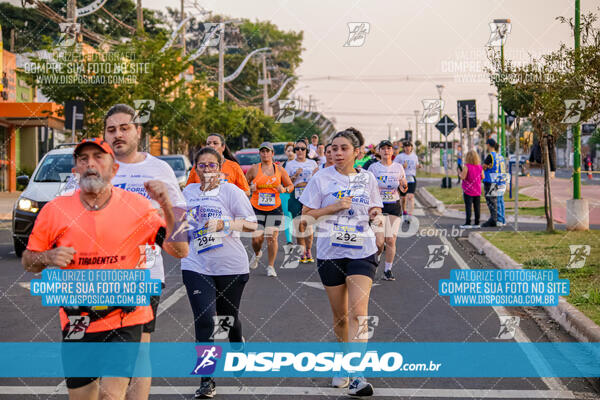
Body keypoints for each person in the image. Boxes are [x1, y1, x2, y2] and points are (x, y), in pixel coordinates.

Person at [22, 138, 188, 400]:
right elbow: (28, 262)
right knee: (84, 397)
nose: (90, 164)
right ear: (75, 169)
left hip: (125, 317)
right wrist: (48, 255)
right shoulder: (54, 211)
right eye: (83, 159)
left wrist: (167, 204)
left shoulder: (139, 207)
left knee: (111, 395)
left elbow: (180, 250)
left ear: (114, 169)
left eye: (99, 158)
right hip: (78, 319)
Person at [102, 103, 188, 400]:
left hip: (143, 273)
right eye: (111, 130)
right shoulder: (96, 167)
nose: (118, 135)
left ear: (138, 131)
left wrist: (164, 204)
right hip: (98, 274)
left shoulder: (159, 169)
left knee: (138, 351)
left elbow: (180, 227)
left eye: (124, 128)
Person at [300, 128, 383, 396]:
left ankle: (357, 374)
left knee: (359, 313)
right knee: (340, 317)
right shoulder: (321, 178)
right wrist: (332, 208)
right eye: (333, 148)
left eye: (343, 148)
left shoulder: (367, 178)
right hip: (330, 252)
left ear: (356, 152)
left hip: (362, 250)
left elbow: (375, 208)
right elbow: (305, 219)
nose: (337, 153)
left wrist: (376, 217)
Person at [182, 147, 257, 399]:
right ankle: (206, 379)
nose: (206, 170)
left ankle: (237, 346)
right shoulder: (188, 192)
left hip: (230, 266)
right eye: (201, 165)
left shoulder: (231, 191)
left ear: (220, 167)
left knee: (227, 319)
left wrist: (224, 223)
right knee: (205, 319)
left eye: (211, 165)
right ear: (195, 169)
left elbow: (252, 224)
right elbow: (178, 225)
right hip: (196, 265)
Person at [246, 142, 294, 277]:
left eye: (268, 151)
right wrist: (250, 188)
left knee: (272, 238)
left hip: (274, 208)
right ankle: (257, 253)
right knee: (256, 239)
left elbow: (291, 186)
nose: (265, 154)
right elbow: (243, 186)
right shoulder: (254, 169)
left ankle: (271, 266)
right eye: (262, 151)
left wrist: (284, 189)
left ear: (272, 154)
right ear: (260, 153)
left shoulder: (279, 170)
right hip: (256, 208)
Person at [367, 140, 408, 281]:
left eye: (388, 148)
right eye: (383, 148)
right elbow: (367, 187)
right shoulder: (373, 168)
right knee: (378, 242)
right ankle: (376, 259)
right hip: (377, 206)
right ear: (379, 151)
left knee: (390, 239)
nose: (386, 151)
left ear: (392, 151)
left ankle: (387, 270)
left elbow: (404, 187)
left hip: (393, 205)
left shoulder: (398, 167)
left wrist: (404, 186)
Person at [284, 139, 319, 263]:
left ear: (307, 151)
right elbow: (287, 183)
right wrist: (295, 176)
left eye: (302, 149)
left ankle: (308, 249)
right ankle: (302, 251)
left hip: (310, 196)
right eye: (297, 149)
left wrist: (315, 175)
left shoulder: (312, 164)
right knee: (298, 224)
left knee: (308, 224)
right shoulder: (290, 165)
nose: (299, 151)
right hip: (295, 196)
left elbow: (318, 181)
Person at [394, 141, 420, 224]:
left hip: (411, 177)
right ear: (403, 148)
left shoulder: (414, 156)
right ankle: (404, 211)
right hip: (402, 178)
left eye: (409, 146)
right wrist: (402, 166)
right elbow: (393, 166)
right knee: (403, 198)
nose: (407, 148)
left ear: (411, 147)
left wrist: (419, 166)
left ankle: (409, 215)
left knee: (410, 196)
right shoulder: (399, 157)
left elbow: (417, 165)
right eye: (406, 146)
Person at [458, 149, 483, 229]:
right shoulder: (479, 167)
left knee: (468, 206)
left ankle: (468, 223)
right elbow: (483, 177)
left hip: (468, 190)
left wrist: (459, 174)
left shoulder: (466, 167)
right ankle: (477, 223)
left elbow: (463, 177)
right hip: (477, 190)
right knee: (477, 207)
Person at [481, 139, 499, 227]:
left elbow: (483, 167)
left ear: (488, 145)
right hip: (495, 180)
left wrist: (484, 166)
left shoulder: (490, 156)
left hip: (489, 180)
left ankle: (493, 219)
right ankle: (494, 218)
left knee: (490, 200)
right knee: (494, 200)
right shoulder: (497, 155)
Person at [280, 143, 296, 245]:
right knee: (287, 216)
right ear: (285, 152)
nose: (290, 153)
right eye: (288, 150)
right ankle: (289, 240)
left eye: (292, 150)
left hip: (298, 194)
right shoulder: (282, 165)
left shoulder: (301, 164)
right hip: (286, 194)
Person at [494, 142, 507, 227]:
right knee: (501, 201)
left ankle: (499, 220)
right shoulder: (501, 157)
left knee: (498, 201)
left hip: (497, 180)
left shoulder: (494, 157)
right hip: (503, 179)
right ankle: (503, 219)